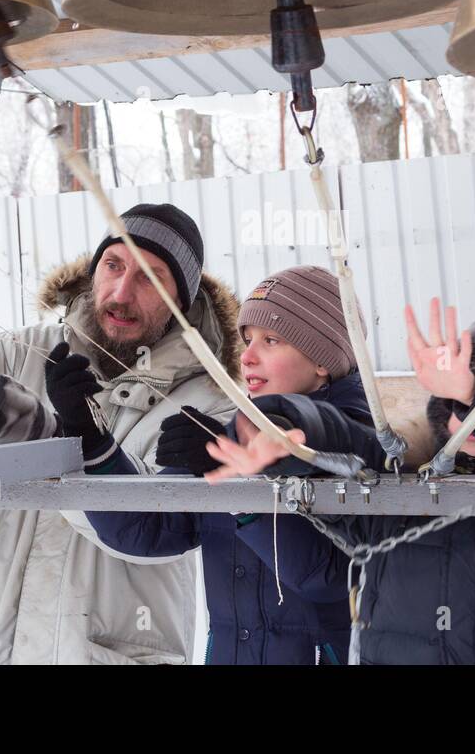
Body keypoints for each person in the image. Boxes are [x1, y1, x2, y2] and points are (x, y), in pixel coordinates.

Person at [0, 203, 240, 664]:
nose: (121, 292)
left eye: (150, 278)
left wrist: (76, 437)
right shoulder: (23, 354)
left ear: (182, 301)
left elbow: (145, 529)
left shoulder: (209, 403)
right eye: (113, 266)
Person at [206, 298, 475, 664]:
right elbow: (347, 443)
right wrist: (285, 429)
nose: (466, 411)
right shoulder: (409, 487)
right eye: (455, 393)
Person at [71, 265, 373, 664]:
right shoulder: (236, 428)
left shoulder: (354, 441)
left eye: (271, 340)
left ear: (322, 359)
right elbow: (144, 529)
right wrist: (96, 445)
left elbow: (327, 575)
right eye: (247, 339)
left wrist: (237, 480)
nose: (247, 357)